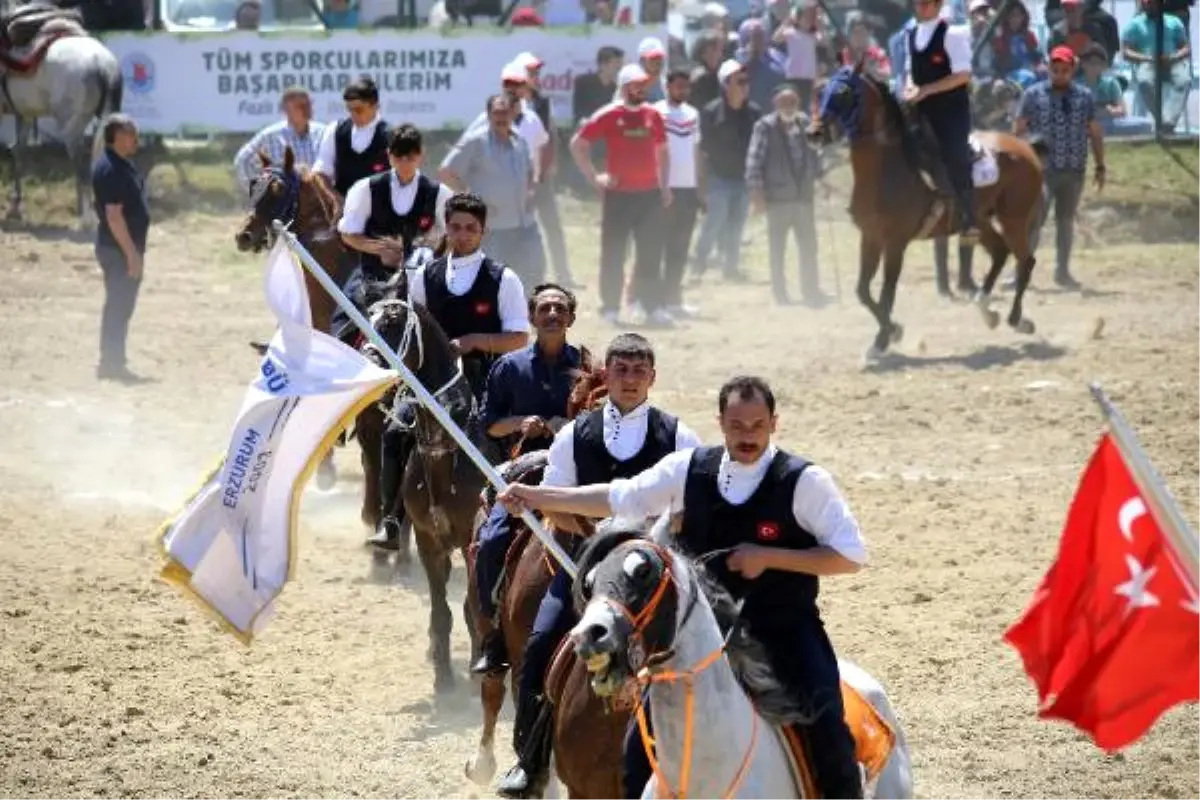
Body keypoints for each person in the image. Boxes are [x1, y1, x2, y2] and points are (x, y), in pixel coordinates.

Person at [498, 375, 868, 800]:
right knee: (637, 751)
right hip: (703, 637)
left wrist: (769, 557)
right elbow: (620, 497)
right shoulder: (689, 469)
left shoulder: (805, 482)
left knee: (830, 734)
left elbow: (850, 555)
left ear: (774, 423)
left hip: (783, 629)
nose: (747, 436)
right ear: (721, 422)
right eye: (737, 425)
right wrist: (539, 496)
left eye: (757, 425)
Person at [494, 333, 702, 798]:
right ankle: (529, 758)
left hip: (652, 578)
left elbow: (690, 508)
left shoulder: (679, 436)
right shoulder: (574, 435)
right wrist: (593, 534)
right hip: (580, 569)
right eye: (621, 370)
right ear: (606, 375)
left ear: (653, 377)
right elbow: (555, 502)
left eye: (639, 370)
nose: (630, 379)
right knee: (539, 647)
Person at [367, 193, 529, 551]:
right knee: (395, 433)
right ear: (447, 228)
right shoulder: (425, 275)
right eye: (455, 227)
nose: (462, 234)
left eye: (471, 228)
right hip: (431, 381)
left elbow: (519, 338)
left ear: (483, 231)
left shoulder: (504, 278)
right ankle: (391, 519)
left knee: (497, 439)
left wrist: (475, 340)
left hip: (484, 378)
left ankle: (504, 522)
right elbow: (413, 327)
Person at [471, 283, 584, 677]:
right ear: (533, 317)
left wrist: (567, 427)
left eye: (560, 308)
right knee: (491, 542)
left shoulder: (589, 366)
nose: (552, 314)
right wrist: (521, 423)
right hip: (518, 475)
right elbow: (489, 426)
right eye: (544, 308)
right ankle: (493, 635)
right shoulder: (508, 367)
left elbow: (603, 419)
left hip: (573, 477)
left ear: (571, 317)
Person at [570, 64, 672, 327]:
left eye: (644, 84)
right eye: (636, 84)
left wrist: (665, 185)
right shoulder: (609, 114)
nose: (642, 89)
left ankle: (652, 307)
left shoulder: (653, 114)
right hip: (619, 196)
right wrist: (595, 178)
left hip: (649, 194)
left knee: (650, 252)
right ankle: (610, 308)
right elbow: (578, 145)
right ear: (625, 87)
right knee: (614, 253)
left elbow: (662, 151)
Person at [1014, 46, 1105, 290]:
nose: (1060, 74)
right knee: (1035, 221)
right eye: (1055, 70)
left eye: (1065, 70)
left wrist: (1100, 165)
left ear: (1072, 69)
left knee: (1065, 221)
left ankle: (1062, 272)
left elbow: (1094, 131)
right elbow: (1019, 129)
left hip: (1074, 169)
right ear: (1048, 68)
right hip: (1042, 172)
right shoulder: (1033, 95)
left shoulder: (1084, 97)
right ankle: (1021, 272)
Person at [439, 95, 544, 288]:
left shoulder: (520, 140)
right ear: (488, 115)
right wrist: (473, 201)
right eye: (497, 112)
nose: (501, 117)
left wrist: (531, 190)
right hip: (494, 229)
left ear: (512, 114)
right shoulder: (476, 141)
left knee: (532, 275)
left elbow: (529, 171)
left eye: (505, 112)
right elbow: (446, 171)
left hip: (524, 223)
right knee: (493, 281)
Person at [338, 124, 453, 289]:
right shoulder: (365, 188)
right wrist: (380, 250)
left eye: (410, 156)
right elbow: (348, 234)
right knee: (342, 314)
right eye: (398, 156)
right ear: (389, 155)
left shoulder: (441, 193)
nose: (404, 163)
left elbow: (452, 237)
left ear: (421, 154)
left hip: (423, 278)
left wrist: (430, 251)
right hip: (373, 278)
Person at [746, 83, 828, 307]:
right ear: (775, 104)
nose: (789, 106)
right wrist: (756, 196)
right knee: (778, 249)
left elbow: (818, 155)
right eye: (784, 102)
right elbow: (754, 163)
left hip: (803, 198)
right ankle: (780, 293)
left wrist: (823, 180)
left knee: (809, 247)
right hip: (778, 199)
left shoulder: (807, 123)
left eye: (792, 102)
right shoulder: (764, 127)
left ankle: (811, 290)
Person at [906, 0, 979, 244]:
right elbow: (910, 71)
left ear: (937, 5)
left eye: (926, 3)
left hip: (950, 112)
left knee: (955, 155)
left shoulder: (953, 34)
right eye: (918, 3)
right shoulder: (912, 34)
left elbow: (962, 75)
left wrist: (927, 90)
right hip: (921, 109)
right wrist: (910, 88)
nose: (921, 7)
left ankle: (969, 218)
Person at [513, 51, 580, 290]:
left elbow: (550, 136)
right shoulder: (506, 105)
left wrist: (550, 165)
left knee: (552, 225)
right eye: (531, 72)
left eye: (537, 72)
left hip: (540, 174)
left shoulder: (542, 102)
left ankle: (564, 274)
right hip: (515, 178)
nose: (536, 76)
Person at [92, 113, 150, 383]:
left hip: (121, 248)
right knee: (118, 305)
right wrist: (131, 254)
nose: (135, 139)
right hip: (118, 250)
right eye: (130, 134)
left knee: (121, 305)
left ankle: (114, 360)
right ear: (116, 136)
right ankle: (111, 363)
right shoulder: (111, 169)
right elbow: (114, 217)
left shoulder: (120, 164)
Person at [694, 60, 761, 283]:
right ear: (725, 85)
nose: (745, 86)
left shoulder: (754, 113)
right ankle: (699, 264)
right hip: (717, 177)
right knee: (714, 222)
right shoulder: (711, 113)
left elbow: (758, 150)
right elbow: (702, 151)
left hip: (743, 179)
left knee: (736, 224)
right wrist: (701, 184)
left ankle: (730, 268)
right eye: (739, 81)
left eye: (746, 81)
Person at [655, 68, 704, 320]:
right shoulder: (656, 113)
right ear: (667, 86)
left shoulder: (693, 114)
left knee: (681, 247)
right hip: (665, 187)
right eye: (678, 85)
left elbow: (695, 151)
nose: (683, 90)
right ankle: (656, 301)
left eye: (687, 86)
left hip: (688, 189)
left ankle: (674, 299)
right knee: (660, 245)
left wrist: (699, 187)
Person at [313, 77, 390, 206]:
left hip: (381, 214)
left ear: (375, 106)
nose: (353, 115)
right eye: (350, 109)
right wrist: (336, 200)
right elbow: (320, 174)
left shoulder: (391, 136)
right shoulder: (335, 130)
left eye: (359, 110)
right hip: (342, 213)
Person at [233, 87, 325, 194]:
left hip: (318, 204)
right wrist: (258, 191)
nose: (306, 109)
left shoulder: (323, 133)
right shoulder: (271, 136)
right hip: (284, 205)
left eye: (309, 104)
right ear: (286, 110)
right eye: (300, 106)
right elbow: (243, 161)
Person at [1075, 42, 1126, 133]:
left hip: (1108, 125)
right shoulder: (1076, 86)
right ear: (1083, 64)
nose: (1095, 67)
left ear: (1104, 66)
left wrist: (1110, 111)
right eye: (1092, 63)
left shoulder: (1111, 83)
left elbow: (1122, 110)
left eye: (1099, 63)